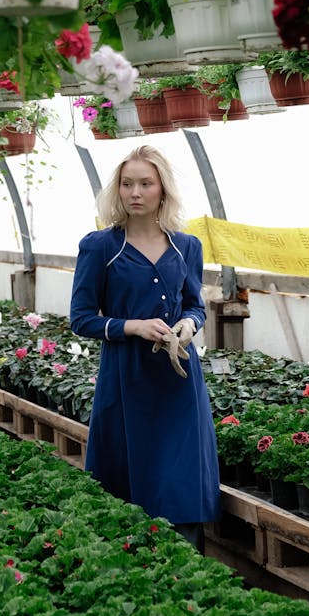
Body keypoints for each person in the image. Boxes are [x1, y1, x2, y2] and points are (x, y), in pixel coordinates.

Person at [70, 144, 221, 551]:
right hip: (126, 379)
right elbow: (80, 318)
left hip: (179, 381)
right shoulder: (101, 246)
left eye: (145, 184)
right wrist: (132, 326)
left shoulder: (185, 246)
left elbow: (194, 304)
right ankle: (131, 564)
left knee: (181, 477)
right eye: (127, 184)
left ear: (162, 190)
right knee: (128, 475)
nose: (135, 192)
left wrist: (189, 323)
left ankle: (188, 566)